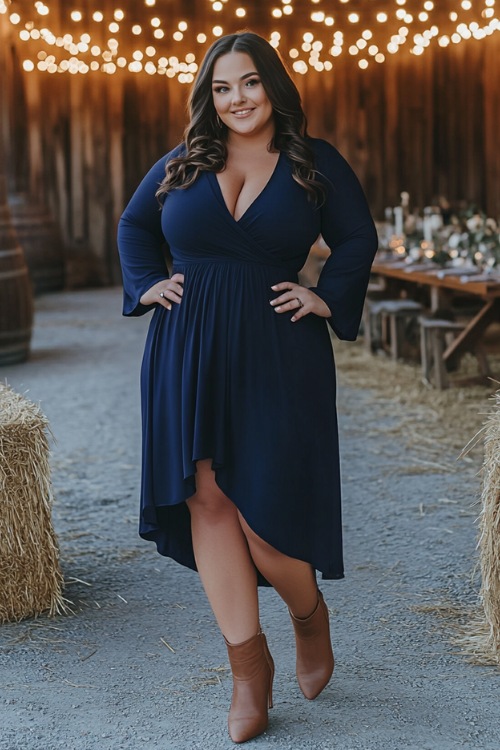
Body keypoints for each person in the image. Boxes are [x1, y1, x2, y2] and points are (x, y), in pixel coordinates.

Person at [117, 31, 378, 744]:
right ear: (209, 96)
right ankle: (248, 670)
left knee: (266, 519)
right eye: (223, 87)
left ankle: (307, 617)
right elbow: (135, 225)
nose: (237, 99)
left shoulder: (313, 162)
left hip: (277, 352)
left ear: (274, 87)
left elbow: (357, 237)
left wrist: (326, 295)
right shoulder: (182, 163)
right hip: (187, 350)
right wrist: (146, 285)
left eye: (251, 83)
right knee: (206, 496)